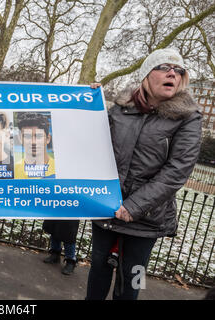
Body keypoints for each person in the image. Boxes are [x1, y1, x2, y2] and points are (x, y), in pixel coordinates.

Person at [86, 48, 202, 300]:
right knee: (98, 269)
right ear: (146, 75)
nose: (173, 73)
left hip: (146, 217)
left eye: (179, 70)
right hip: (107, 207)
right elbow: (90, 138)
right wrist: (87, 101)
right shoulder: (119, 110)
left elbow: (178, 170)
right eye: (164, 67)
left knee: (133, 277)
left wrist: (135, 206)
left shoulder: (188, 118)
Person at [14, 112, 56, 179]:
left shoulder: (59, 168)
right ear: (20, 139)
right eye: (27, 136)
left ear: (48, 139)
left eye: (39, 136)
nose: (33, 142)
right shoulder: (13, 171)